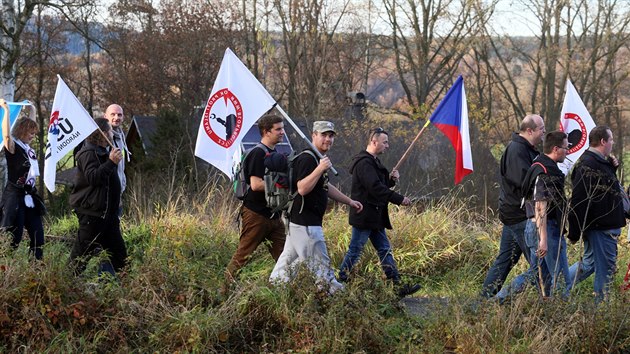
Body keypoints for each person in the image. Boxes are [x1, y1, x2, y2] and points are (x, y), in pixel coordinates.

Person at [269, 121, 363, 294]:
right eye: (323, 135)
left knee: (284, 268)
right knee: (322, 270)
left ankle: (270, 295)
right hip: (306, 224)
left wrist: (349, 201)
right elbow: (303, 188)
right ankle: (337, 299)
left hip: (301, 223)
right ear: (314, 135)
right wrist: (320, 169)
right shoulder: (307, 158)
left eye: (331, 135)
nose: (328, 139)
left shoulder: (318, 159)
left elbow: (324, 187)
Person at [338, 127, 420, 297]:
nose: (387, 146)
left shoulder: (373, 162)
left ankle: (396, 286)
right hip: (364, 216)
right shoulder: (364, 163)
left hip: (375, 217)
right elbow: (375, 188)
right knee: (355, 250)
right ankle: (339, 282)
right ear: (374, 142)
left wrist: (391, 180)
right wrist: (399, 199)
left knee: (384, 249)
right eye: (385, 142)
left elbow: (379, 186)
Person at [495, 131, 571, 302]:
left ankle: (499, 299)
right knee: (561, 278)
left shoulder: (538, 163)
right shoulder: (545, 172)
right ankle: (564, 312)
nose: (568, 152)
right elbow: (540, 206)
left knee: (537, 274)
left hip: (534, 227)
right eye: (566, 148)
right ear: (556, 149)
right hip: (545, 229)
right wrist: (543, 239)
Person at [480, 114, 545, 298]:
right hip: (519, 215)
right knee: (539, 265)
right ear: (530, 130)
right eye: (541, 129)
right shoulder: (517, 150)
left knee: (506, 260)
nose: (544, 133)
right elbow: (525, 182)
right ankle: (546, 301)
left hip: (514, 214)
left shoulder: (529, 150)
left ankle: (484, 300)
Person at [222, 114, 287, 295]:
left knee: (284, 259)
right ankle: (223, 293)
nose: (282, 132)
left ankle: (285, 293)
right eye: (278, 129)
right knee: (243, 256)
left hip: (274, 216)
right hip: (256, 215)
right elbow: (256, 184)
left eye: (282, 128)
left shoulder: (275, 153)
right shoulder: (258, 153)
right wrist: (283, 184)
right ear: (266, 132)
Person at [567, 126, 626, 302]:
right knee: (606, 271)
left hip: (602, 227)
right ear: (603, 141)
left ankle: (554, 287)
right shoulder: (588, 164)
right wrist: (575, 232)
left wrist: (611, 169)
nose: (613, 143)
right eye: (611, 139)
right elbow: (579, 200)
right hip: (601, 229)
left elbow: (604, 192)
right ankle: (601, 312)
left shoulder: (599, 163)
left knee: (588, 264)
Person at [68, 118, 127, 277]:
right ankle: (64, 285)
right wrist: (111, 163)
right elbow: (93, 178)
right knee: (80, 257)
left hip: (108, 216)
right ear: (101, 134)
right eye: (108, 131)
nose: (110, 133)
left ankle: (123, 288)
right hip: (93, 215)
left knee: (119, 255)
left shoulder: (104, 152)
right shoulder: (88, 153)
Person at [0, 99, 46, 260]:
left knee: (38, 236)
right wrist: (6, 111)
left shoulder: (27, 147)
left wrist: (32, 107)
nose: (33, 136)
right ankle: (6, 269)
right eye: (30, 133)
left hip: (30, 196)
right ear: (21, 131)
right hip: (15, 197)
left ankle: (36, 268)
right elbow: (6, 135)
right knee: (14, 237)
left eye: (34, 133)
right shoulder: (13, 147)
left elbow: (31, 123)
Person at [104, 104, 130, 214]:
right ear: (105, 117)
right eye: (113, 114)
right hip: (106, 196)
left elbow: (121, 168)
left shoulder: (120, 137)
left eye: (119, 115)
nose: (116, 117)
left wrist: (120, 190)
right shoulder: (103, 138)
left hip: (118, 193)